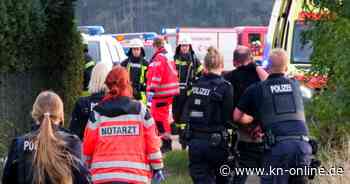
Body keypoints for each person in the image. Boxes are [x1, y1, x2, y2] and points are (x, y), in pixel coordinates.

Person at [234, 49, 312, 184]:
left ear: (268, 67)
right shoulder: (296, 86)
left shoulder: (257, 89)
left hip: (279, 149)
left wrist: (252, 119)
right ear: (287, 67)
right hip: (303, 147)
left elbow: (236, 116)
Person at [83, 66, 164, 184]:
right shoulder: (141, 110)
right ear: (127, 84)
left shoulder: (97, 112)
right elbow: (152, 143)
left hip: (103, 178)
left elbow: (88, 146)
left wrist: (86, 167)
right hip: (135, 177)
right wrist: (158, 168)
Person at [2, 91, 91, 184]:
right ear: (61, 116)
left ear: (34, 114)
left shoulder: (19, 144)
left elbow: (7, 180)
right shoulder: (71, 142)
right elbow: (83, 179)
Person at [185, 47, 234, 184]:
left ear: (204, 65)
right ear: (222, 66)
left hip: (195, 142)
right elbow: (227, 118)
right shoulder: (225, 87)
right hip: (216, 145)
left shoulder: (195, 84)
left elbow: (188, 109)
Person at [223, 45, 268, 184]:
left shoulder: (228, 78)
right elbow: (270, 84)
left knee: (241, 171)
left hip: (241, 133)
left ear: (234, 61)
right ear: (251, 59)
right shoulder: (260, 76)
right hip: (262, 132)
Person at [146, 36, 179, 153]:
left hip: (160, 94)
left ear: (154, 46)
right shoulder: (168, 56)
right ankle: (167, 139)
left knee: (159, 119)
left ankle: (166, 143)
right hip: (169, 93)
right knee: (165, 117)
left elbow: (155, 78)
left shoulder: (158, 58)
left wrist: (150, 97)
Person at [172, 34, 203, 149]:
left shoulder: (194, 60)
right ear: (179, 47)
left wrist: (195, 83)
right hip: (176, 93)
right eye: (182, 46)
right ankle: (181, 138)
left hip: (189, 93)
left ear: (189, 46)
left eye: (186, 46)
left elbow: (202, 75)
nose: (184, 48)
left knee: (185, 117)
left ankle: (185, 140)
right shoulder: (174, 59)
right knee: (177, 117)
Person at [69, 62, 110, 140]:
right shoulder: (114, 103)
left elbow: (74, 134)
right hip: (107, 148)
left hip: (86, 148)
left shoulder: (82, 103)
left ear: (92, 78)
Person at [121, 38, 149, 104]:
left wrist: (144, 87)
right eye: (134, 49)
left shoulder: (146, 64)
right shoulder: (124, 63)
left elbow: (149, 80)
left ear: (141, 50)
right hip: (128, 94)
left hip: (141, 96)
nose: (136, 51)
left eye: (137, 49)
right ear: (131, 50)